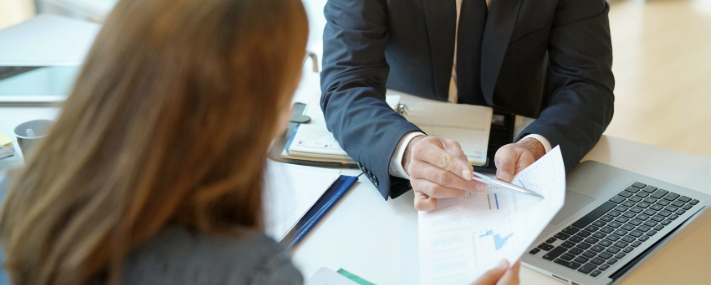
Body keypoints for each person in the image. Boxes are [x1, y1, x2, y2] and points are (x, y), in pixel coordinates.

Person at [0, 0, 521, 284]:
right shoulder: (250, 271)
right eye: (288, 80)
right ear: (245, 111)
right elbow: (344, 85)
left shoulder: (18, 199)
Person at [320, 0, 615, 211]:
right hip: (406, 141)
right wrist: (406, 149)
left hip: (520, 157)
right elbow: (346, 83)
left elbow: (587, 84)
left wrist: (538, 145)